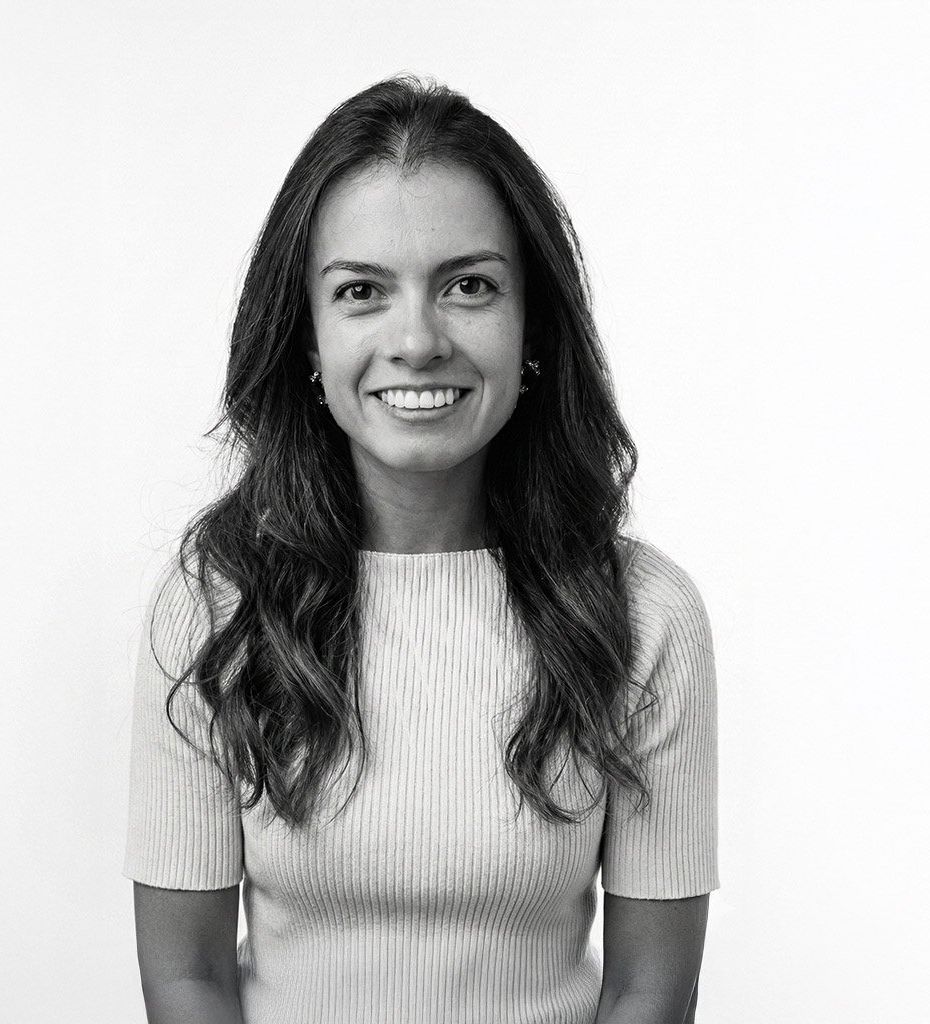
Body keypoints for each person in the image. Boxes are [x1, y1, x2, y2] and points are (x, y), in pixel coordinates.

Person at [123, 74, 718, 1024]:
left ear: (533, 325)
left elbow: (653, 990)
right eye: (361, 291)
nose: (417, 340)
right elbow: (186, 977)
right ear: (307, 340)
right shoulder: (214, 605)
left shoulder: (645, 615)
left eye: (468, 286)